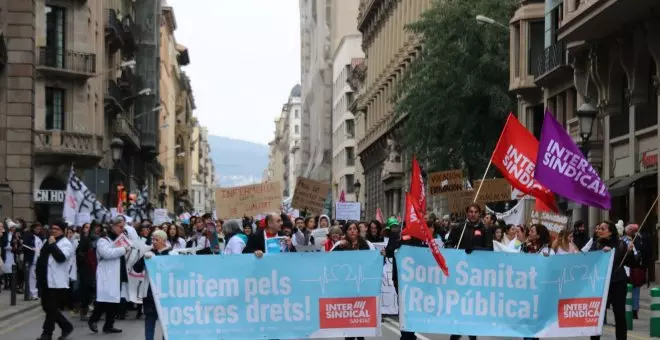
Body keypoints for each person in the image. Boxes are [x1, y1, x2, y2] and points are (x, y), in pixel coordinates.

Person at [590, 220, 637, 340]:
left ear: (610, 232)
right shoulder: (596, 244)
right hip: (601, 284)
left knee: (620, 315)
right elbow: (589, 261)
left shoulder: (621, 244)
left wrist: (630, 252)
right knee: (597, 315)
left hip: (618, 283)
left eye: (602, 229)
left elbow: (632, 263)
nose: (599, 231)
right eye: (599, 228)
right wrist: (601, 253)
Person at [88, 217, 130, 334]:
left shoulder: (121, 240)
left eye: (123, 227)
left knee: (115, 301)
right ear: (113, 226)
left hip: (118, 273)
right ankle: (93, 319)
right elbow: (106, 253)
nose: (122, 230)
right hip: (107, 275)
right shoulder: (104, 240)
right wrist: (122, 249)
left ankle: (109, 325)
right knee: (104, 300)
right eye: (120, 227)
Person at [36, 219, 74, 340]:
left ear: (63, 230)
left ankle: (47, 334)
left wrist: (52, 245)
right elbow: (42, 257)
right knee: (46, 307)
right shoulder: (48, 241)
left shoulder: (66, 244)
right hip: (46, 280)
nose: (53, 231)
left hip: (58, 282)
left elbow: (61, 258)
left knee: (51, 309)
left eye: (57, 229)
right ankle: (66, 326)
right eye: (52, 228)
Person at [132, 230, 170, 340]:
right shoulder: (148, 252)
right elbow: (136, 269)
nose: (153, 242)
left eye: (156, 239)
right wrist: (144, 258)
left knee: (166, 321)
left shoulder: (171, 254)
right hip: (150, 292)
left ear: (164, 241)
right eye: (152, 239)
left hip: (166, 292)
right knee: (150, 318)